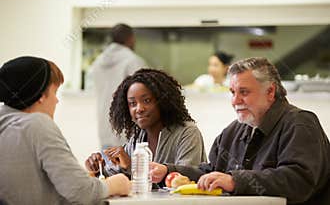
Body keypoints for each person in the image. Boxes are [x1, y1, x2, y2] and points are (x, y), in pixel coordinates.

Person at [150, 58, 330, 205]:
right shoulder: (233, 131)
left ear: (270, 91)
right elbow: (212, 172)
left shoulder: (299, 123)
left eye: (243, 92)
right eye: (232, 92)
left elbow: (298, 181)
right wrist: (168, 170)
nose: (235, 101)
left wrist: (235, 181)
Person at [0, 56, 130, 205]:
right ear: (41, 95)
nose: (56, 100)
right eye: (55, 92)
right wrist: (115, 184)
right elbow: (81, 191)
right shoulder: (37, 125)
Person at [85, 68, 207, 180]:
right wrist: (98, 168)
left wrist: (132, 166)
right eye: (133, 103)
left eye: (146, 101)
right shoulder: (137, 138)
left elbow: (184, 180)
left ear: (163, 101)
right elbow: (117, 176)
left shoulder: (187, 132)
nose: (139, 108)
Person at [89, 23, 147, 149]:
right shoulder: (133, 61)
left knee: (107, 167)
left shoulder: (97, 62)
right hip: (128, 131)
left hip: (105, 128)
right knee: (133, 168)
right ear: (131, 38)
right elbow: (146, 92)